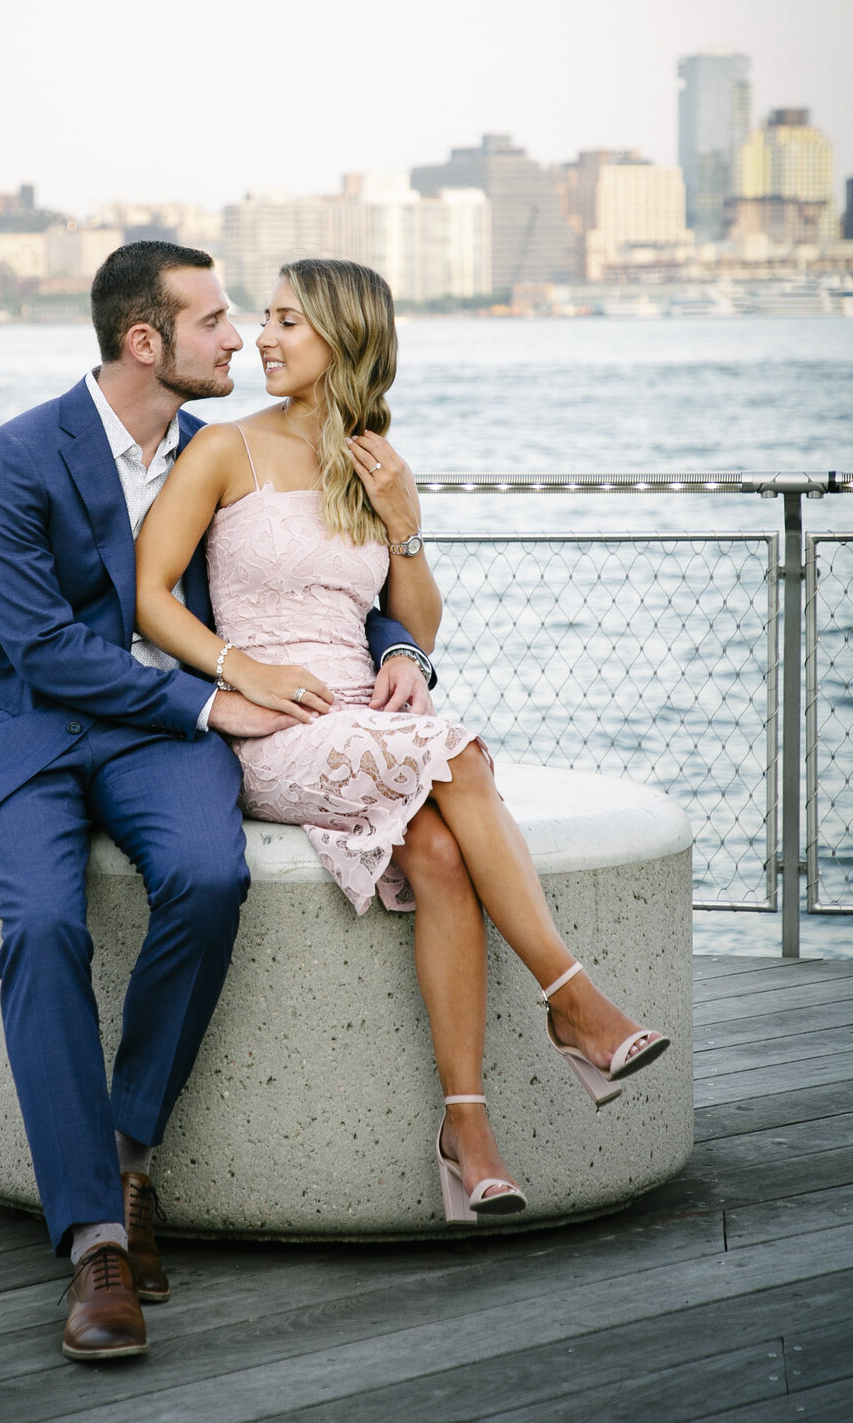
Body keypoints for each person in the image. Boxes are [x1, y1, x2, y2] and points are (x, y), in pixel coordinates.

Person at [0, 242, 435, 1360]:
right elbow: (41, 644)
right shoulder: (16, 455)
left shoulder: (223, 452)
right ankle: (97, 1239)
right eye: (215, 321)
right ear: (147, 342)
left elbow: (321, 586)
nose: (241, 337)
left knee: (208, 875)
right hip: (28, 732)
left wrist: (400, 650)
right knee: (45, 925)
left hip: (161, 741)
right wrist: (212, 706)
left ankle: (129, 1149)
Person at [135, 257, 670, 1222]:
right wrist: (237, 673)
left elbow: (412, 621)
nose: (263, 336)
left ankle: (467, 1132)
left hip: (364, 713)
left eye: (287, 321)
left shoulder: (373, 457)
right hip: (276, 726)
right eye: (264, 318)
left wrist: (406, 536)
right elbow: (149, 595)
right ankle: (573, 999)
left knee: (436, 852)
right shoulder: (218, 449)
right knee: (459, 756)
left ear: (344, 337)